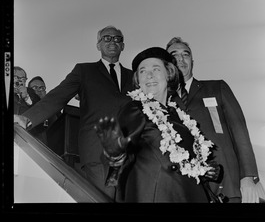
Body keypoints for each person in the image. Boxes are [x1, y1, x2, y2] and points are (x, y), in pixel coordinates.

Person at [14, 25, 134, 201]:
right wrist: (27, 118)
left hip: (132, 153)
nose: (112, 42)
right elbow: (58, 96)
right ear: (98, 45)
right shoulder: (84, 71)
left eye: (117, 39)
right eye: (106, 38)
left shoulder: (136, 76)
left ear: (123, 46)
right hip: (97, 152)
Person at [94, 47, 221, 203]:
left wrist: (205, 169)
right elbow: (119, 153)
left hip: (188, 194)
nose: (149, 75)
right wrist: (115, 153)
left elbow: (184, 161)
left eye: (156, 69)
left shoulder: (179, 115)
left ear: (168, 74)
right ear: (138, 81)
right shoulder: (134, 108)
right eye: (142, 71)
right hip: (156, 193)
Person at [166, 36, 260, 203]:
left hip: (227, 183)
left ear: (192, 61)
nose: (180, 59)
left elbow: (240, 133)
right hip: (184, 189)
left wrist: (248, 177)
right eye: (174, 55)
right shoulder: (162, 100)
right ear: (167, 64)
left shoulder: (217, 88)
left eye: (185, 54)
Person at [28, 76, 62, 144]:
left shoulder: (54, 110)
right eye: (35, 87)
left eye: (42, 88)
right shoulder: (24, 107)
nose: (38, 90)